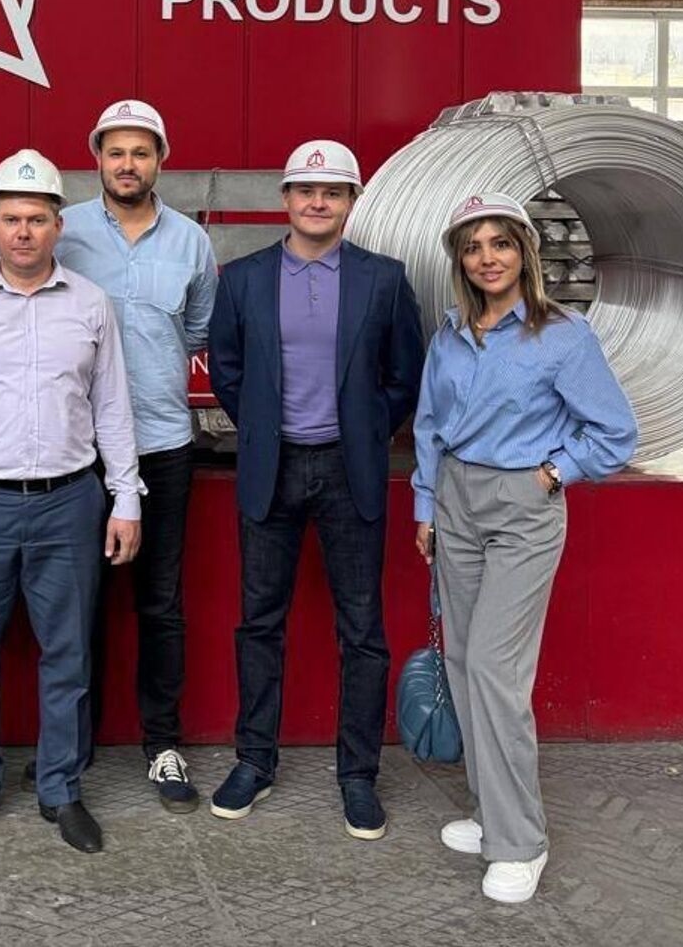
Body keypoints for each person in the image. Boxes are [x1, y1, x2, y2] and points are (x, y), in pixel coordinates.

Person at [411, 191, 637, 904]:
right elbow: (428, 426)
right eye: (473, 246)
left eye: (500, 243)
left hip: (521, 507)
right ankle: (490, 812)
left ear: (525, 252)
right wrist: (426, 506)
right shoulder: (450, 334)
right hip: (455, 499)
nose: (488, 258)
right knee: (461, 660)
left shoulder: (562, 335)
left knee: (495, 666)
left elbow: (615, 433)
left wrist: (554, 472)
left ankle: (521, 842)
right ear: (460, 260)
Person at [0, 149, 143, 856]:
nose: (24, 231)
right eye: (12, 219)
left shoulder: (90, 304)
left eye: (37, 219)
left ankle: (60, 786)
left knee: (68, 653)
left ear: (58, 226)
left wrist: (126, 498)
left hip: (69, 502)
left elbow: (112, 407)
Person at [206, 139, 424, 839]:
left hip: (348, 470)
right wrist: (263, 428)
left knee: (362, 630)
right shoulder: (243, 279)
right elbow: (227, 370)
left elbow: (405, 375)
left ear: (351, 202)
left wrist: (364, 427)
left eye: (332, 192)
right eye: (306, 190)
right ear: (286, 198)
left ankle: (358, 774)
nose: (318, 202)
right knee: (258, 622)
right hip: (270, 468)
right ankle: (254, 760)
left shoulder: (383, 279)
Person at [56, 99, 217, 812]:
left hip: (162, 446)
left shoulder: (191, 242)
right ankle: (72, 749)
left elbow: (197, 330)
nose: (128, 164)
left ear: (161, 160)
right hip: (77, 451)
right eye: (116, 151)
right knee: (77, 605)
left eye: (141, 152)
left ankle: (163, 744)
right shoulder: (65, 232)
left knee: (160, 603)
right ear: (97, 158)